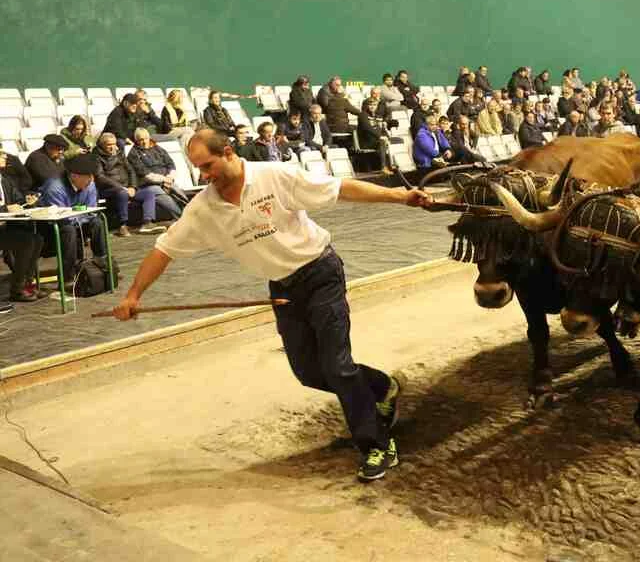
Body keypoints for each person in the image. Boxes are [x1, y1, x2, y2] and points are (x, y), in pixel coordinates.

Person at [110, 130, 433, 480]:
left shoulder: (274, 176)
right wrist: (133, 295)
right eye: (198, 168)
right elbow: (163, 250)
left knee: (337, 366)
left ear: (228, 152)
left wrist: (401, 196)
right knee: (309, 372)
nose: (204, 175)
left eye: (208, 165)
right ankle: (381, 387)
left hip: (320, 273)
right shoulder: (203, 209)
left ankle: (376, 444)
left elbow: (340, 188)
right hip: (283, 289)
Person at [36, 154, 109, 287]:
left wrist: (80, 215)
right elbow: (61, 217)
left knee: (98, 222)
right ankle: (67, 277)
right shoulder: (55, 187)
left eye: (92, 176)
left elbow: (91, 210)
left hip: (77, 222)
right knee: (68, 230)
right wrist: (81, 215)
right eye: (88, 176)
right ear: (74, 176)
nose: (91, 180)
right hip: (51, 228)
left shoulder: (90, 184)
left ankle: (103, 264)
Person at [94, 133, 167, 236]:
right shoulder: (97, 157)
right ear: (102, 145)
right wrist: (122, 188)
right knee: (122, 193)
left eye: (114, 144)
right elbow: (100, 177)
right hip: (109, 189)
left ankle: (147, 223)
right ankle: (122, 226)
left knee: (149, 193)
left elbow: (131, 170)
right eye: (109, 145)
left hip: (127, 187)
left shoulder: (119, 153)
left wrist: (133, 186)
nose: (113, 147)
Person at [0, 167, 45, 302]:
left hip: (6, 227)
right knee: (26, 242)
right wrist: (5, 208)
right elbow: (8, 207)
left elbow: (18, 200)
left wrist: (28, 201)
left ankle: (27, 284)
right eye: (1, 156)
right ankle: (17, 289)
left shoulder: (5, 180)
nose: (5, 157)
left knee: (37, 239)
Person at [127, 128, 186, 218]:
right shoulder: (133, 154)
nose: (144, 142)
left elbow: (170, 164)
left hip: (167, 181)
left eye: (146, 138)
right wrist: (164, 179)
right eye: (141, 140)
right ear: (136, 140)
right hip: (149, 185)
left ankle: (189, 214)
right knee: (167, 201)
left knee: (181, 195)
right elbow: (145, 174)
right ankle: (182, 217)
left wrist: (170, 177)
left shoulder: (158, 148)